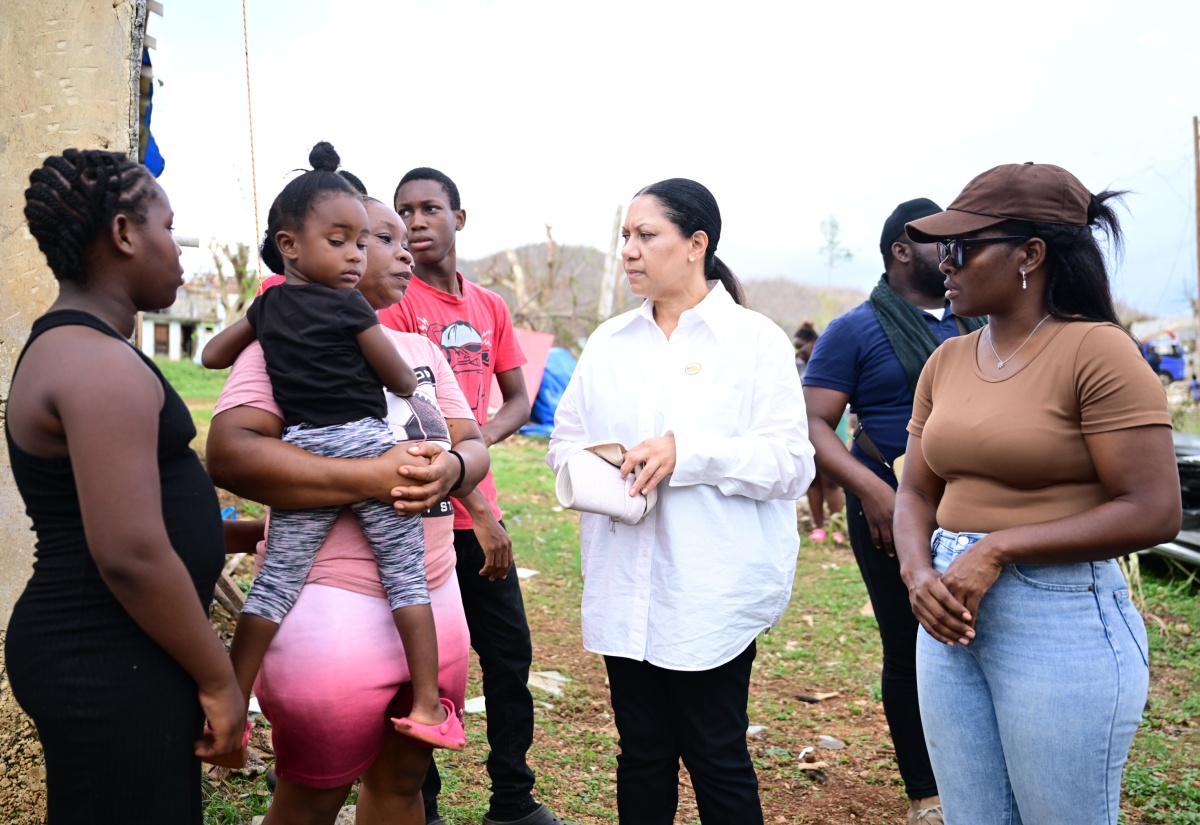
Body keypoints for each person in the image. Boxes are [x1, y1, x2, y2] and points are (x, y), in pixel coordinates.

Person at [894, 162, 1180, 824]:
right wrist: (917, 573)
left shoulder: (1097, 352)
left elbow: (1154, 508)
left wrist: (998, 548)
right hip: (946, 612)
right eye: (944, 247)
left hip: (1059, 616)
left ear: (1030, 254)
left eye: (963, 246)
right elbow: (915, 492)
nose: (945, 263)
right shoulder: (948, 359)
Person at [206, 194, 491, 824]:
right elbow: (229, 455)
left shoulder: (423, 350)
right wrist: (371, 476)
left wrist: (453, 469)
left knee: (403, 784)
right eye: (376, 239)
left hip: (437, 594)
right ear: (305, 248)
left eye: (389, 241)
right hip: (331, 610)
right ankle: (229, 705)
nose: (399, 253)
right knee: (312, 796)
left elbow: (471, 444)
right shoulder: (278, 339)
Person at [547, 178, 814, 825]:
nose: (629, 250)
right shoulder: (610, 342)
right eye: (626, 236)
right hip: (623, 580)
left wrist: (686, 453)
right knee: (641, 753)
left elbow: (791, 464)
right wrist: (600, 469)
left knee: (716, 753)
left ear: (697, 243)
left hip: (709, 591)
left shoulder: (754, 341)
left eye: (647, 235)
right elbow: (564, 441)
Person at [6, 149, 245, 823]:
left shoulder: (77, 349)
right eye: (167, 227)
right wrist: (221, 679)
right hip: (107, 656)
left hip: (113, 648)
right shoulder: (97, 364)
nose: (178, 249)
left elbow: (112, 512)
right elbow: (130, 552)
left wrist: (237, 533)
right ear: (123, 233)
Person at [381, 168, 572, 825]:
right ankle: (423, 804)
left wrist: (472, 446)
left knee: (510, 656)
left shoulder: (488, 306)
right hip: (424, 517)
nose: (416, 221)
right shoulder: (395, 303)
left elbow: (518, 397)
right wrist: (462, 466)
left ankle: (513, 800)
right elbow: (408, 423)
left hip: (474, 500)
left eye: (430, 208)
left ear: (458, 218)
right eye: (404, 210)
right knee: (422, 665)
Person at [803, 198, 982, 824]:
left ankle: (979, 780)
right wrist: (875, 492)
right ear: (901, 251)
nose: (953, 252)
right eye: (939, 241)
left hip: (972, 504)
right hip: (887, 507)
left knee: (977, 638)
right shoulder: (855, 329)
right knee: (908, 644)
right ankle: (927, 794)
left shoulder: (977, 320)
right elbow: (814, 423)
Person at [794, 321, 846, 543]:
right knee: (812, 479)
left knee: (830, 480)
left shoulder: (829, 362)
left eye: (801, 346)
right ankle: (819, 528)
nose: (799, 352)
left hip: (830, 427)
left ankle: (837, 527)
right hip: (803, 428)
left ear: (813, 342)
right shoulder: (796, 368)